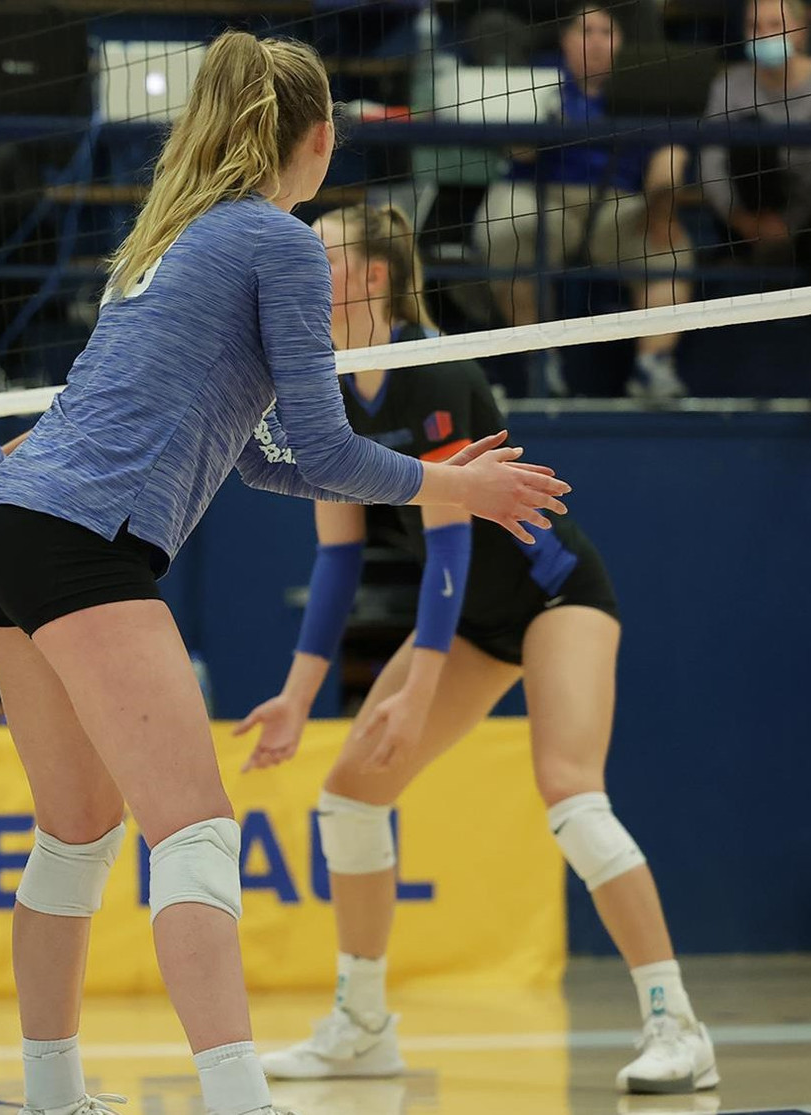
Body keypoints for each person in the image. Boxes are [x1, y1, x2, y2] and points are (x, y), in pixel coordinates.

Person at [0, 30, 571, 1115]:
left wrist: (424, 477)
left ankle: (53, 1095)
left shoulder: (173, 234)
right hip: (76, 538)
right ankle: (238, 1097)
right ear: (321, 137)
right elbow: (328, 451)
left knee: (78, 832)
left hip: (0, 530)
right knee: (190, 830)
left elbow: (257, 454)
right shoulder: (275, 243)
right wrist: (450, 489)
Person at [243, 203, 717, 1095]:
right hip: (463, 619)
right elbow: (338, 558)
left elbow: (453, 545)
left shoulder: (439, 372)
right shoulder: (320, 389)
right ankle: (362, 1025)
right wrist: (298, 696)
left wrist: (420, 689)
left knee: (571, 793)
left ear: (372, 277)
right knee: (349, 797)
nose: (304, 261)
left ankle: (677, 1024)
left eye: (323, 252)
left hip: (554, 592)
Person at [471, 0, 693, 401]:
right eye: (584, 32)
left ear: (621, 41)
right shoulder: (538, 80)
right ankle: (542, 359)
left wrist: (666, 197)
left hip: (618, 203)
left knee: (669, 252)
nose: (594, 42)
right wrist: (531, 130)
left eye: (605, 32)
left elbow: (669, 152)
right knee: (505, 236)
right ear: (565, 40)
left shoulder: (645, 87)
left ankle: (653, 367)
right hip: (541, 196)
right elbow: (516, 150)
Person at [700, 0, 811, 410]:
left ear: (801, 31)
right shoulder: (728, 85)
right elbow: (712, 162)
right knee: (750, 132)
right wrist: (743, 218)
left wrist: (787, 224)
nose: (765, 33)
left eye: (776, 24)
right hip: (746, 216)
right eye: (756, 25)